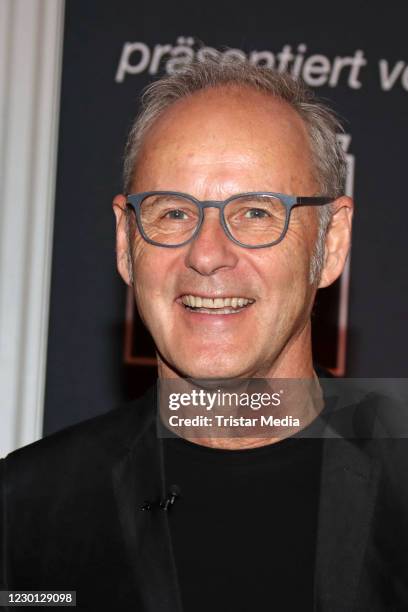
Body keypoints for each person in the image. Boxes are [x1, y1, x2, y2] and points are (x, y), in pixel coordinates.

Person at [1, 56, 407, 611]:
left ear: (330, 243)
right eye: (171, 213)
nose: (207, 255)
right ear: (126, 242)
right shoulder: (24, 513)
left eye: (257, 213)